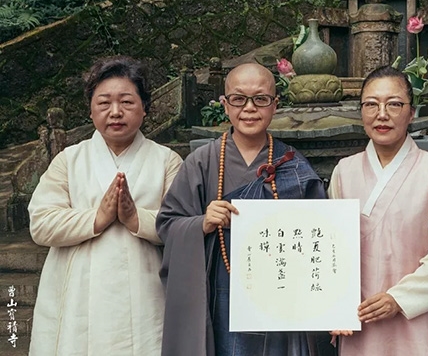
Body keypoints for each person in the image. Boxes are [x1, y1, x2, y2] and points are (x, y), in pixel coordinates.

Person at [156, 62, 333, 356]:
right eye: (238, 99)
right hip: (220, 291)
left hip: (279, 295)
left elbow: (321, 236)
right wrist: (201, 223)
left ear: (275, 105)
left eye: (261, 99)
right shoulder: (203, 161)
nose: (249, 108)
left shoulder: (293, 163)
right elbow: (167, 224)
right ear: (225, 105)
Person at [28, 56, 183, 355]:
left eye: (126, 102)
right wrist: (96, 219)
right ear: (90, 109)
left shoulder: (166, 161)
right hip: (78, 294)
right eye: (104, 103)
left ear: (145, 107)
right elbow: (41, 223)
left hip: (145, 291)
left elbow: (182, 224)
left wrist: (136, 218)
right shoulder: (69, 160)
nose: (115, 112)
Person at [328, 65, 428, 355]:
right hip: (362, 315)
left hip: (419, 313)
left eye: (394, 104)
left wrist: (399, 299)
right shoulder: (344, 171)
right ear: (361, 112)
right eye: (371, 104)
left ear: (411, 113)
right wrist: (333, 303)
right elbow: (332, 249)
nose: (381, 114)